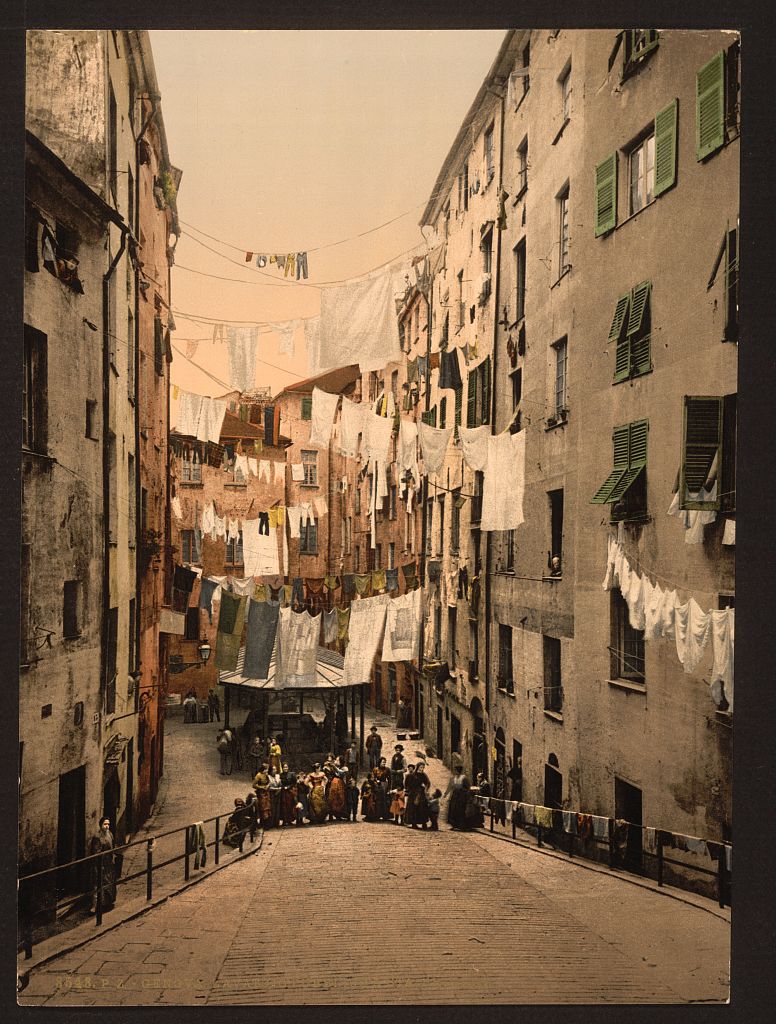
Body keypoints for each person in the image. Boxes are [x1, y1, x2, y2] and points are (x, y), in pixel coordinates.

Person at [89, 817, 116, 913]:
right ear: (101, 825)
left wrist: (112, 857)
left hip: (108, 863)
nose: (107, 826)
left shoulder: (110, 834)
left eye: (108, 824)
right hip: (100, 863)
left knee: (108, 882)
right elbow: (96, 852)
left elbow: (112, 847)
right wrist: (100, 864)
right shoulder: (97, 837)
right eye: (105, 824)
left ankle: (106, 903)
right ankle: (95, 906)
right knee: (98, 883)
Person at [445, 765, 471, 830]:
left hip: (461, 796)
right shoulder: (453, 778)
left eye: (456, 771)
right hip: (455, 796)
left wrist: (464, 793)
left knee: (460, 810)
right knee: (453, 809)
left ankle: (461, 825)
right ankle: (454, 825)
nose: (455, 772)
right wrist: (446, 794)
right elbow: (450, 786)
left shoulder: (464, 778)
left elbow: (468, 788)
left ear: (458, 771)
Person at [409, 761, 431, 829]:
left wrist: (425, 788)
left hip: (421, 793)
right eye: (421, 767)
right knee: (414, 808)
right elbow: (409, 783)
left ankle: (424, 823)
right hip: (413, 793)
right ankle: (414, 823)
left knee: (422, 808)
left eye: (423, 767)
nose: (422, 769)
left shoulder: (423, 775)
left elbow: (428, 783)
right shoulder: (413, 775)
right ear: (418, 767)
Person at [252, 763, 272, 828]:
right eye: (266, 769)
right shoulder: (258, 775)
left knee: (268, 807)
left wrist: (268, 785)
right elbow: (254, 785)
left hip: (267, 793)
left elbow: (269, 782)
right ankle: (262, 822)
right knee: (262, 807)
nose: (267, 771)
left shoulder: (266, 775)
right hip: (261, 794)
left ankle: (267, 823)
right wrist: (262, 787)